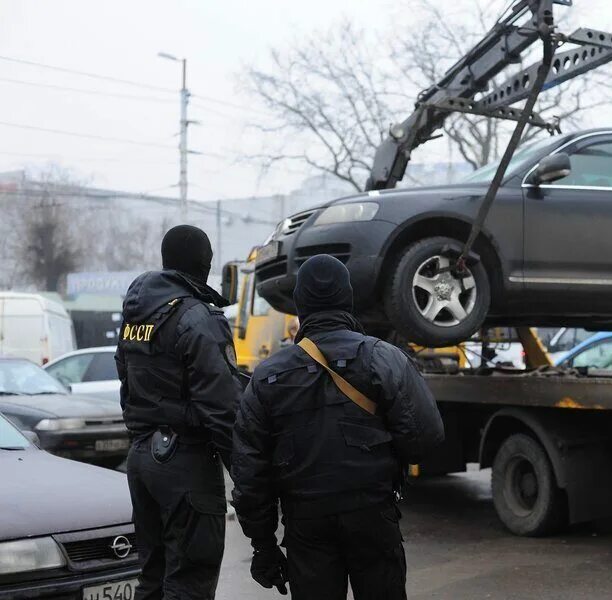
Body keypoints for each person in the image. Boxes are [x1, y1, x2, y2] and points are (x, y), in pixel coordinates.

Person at [232, 254, 445, 600]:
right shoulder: (383, 358)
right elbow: (426, 437)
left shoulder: (267, 376)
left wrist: (263, 546)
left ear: (300, 306)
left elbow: (250, 473)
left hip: (306, 525)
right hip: (374, 516)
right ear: (348, 299)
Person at [115, 225, 243, 600]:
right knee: (189, 580)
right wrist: (249, 479)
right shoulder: (198, 318)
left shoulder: (136, 314)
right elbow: (223, 410)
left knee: (153, 578)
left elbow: (126, 382)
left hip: (141, 459)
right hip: (185, 463)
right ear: (205, 265)